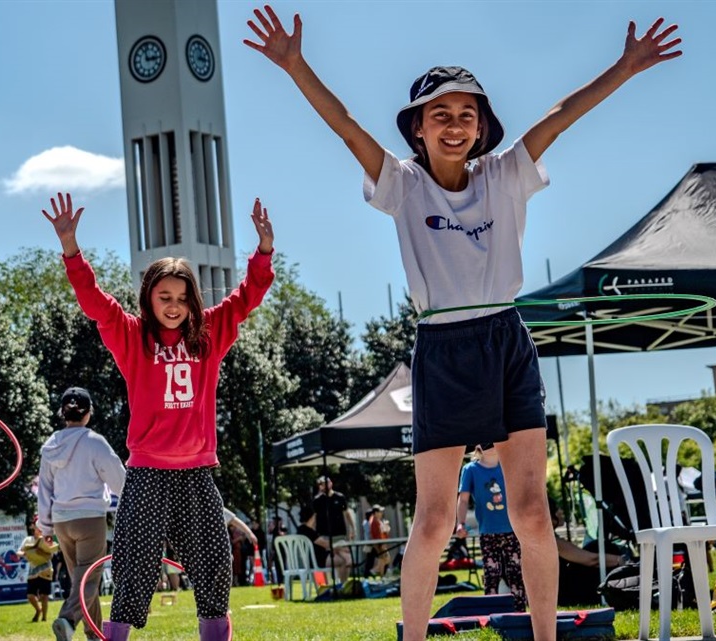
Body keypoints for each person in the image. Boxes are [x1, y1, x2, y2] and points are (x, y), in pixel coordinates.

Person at [245, 6, 681, 640]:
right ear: (418, 129)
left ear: (481, 129)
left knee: (534, 515)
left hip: (505, 338)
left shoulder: (504, 174)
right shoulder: (400, 184)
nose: (454, 125)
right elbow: (344, 127)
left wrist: (627, 66)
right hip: (442, 346)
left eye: (466, 115)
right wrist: (294, 66)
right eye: (440, 115)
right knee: (434, 519)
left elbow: (560, 118)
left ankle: (544, 635)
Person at [43, 192, 275, 641]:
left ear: (192, 302)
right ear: (147, 298)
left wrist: (263, 252)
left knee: (213, 565)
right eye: (164, 296)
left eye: (183, 298)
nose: (174, 305)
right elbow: (94, 302)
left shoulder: (210, 333)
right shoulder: (130, 335)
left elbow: (248, 296)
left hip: (197, 472)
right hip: (147, 472)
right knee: (134, 568)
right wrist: (71, 249)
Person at [36, 386, 126, 641]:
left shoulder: (51, 445)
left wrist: (45, 527)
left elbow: (44, 489)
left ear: (62, 413)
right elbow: (119, 480)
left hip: (62, 521)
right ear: (89, 413)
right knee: (89, 578)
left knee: (82, 581)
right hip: (90, 519)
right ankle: (67, 619)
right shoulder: (95, 442)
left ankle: (95, 635)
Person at [456, 444, 526, 610]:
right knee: (491, 574)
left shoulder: (509, 465)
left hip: (513, 530)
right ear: (478, 445)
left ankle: (519, 612)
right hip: (488, 532)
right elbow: (463, 499)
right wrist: (461, 523)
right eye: (485, 441)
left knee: (516, 573)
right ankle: (491, 613)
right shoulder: (470, 469)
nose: (490, 445)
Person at [548, 497, 625, 606]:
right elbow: (592, 560)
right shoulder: (553, 542)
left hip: (563, 591)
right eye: (556, 509)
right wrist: (621, 560)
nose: (561, 511)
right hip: (566, 594)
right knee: (600, 547)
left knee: (598, 546)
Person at [312, 476, 355, 582]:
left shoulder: (340, 497)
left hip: (340, 534)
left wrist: (353, 529)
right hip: (325, 536)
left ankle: (343, 584)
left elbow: (347, 514)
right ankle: (338, 585)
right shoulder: (317, 500)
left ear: (331, 483)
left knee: (345, 560)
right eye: (322, 484)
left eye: (327, 483)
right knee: (341, 558)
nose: (325, 485)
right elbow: (314, 519)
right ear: (320, 486)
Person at [17, 524, 59, 623]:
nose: (40, 529)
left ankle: (44, 618)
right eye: (37, 527)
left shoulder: (48, 539)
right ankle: (38, 610)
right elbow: (18, 552)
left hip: (46, 570)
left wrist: (41, 553)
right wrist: (26, 554)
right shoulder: (28, 539)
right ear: (34, 528)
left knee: (44, 595)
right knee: (30, 595)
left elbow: (51, 555)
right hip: (33, 570)